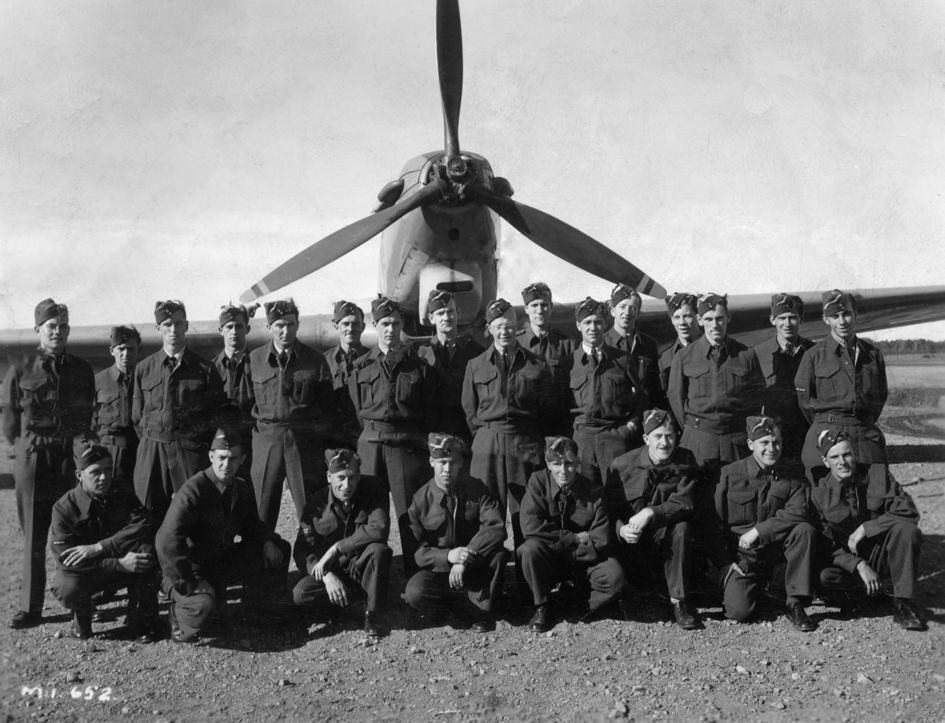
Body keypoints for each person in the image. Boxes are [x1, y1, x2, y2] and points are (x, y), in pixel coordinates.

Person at [3, 299, 95, 630]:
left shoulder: (82, 369)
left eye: (63, 326)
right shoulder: (21, 368)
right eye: (51, 326)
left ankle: (77, 602)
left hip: (67, 461)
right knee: (34, 538)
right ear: (38, 330)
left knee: (71, 531)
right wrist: (29, 449)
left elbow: (86, 417)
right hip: (34, 461)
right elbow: (10, 424)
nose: (57, 332)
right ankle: (31, 609)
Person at [156, 428, 291, 643]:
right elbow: (166, 542)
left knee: (280, 548)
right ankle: (179, 615)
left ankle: (255, 614)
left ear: (242, 460)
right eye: (221, 458)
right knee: (203, 608)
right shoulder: (194, 490)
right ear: (211, 456)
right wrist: (189, 583)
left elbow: (251, 525)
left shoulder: (240, 487)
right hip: (189, 569)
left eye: (233, 458)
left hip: (219, 562)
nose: (226, 465)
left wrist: (266, 540)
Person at [349, 296, 440, 576]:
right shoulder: (361, 366)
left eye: (396, 323)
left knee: (410, 516)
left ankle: (416, 580)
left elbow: (428, 411)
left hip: (405, 446)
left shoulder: (419, 367)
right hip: (370, 448)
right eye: (385, 323)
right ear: (375, 325)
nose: (391, 329)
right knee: (365, 516)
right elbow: (356, 409)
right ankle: (366, 578)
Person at [462, 299, 553, 567]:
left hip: (524, 443)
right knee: (487, 515)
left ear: (518, 327)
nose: (505, 332)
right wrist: (485, 437)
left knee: (527, 513)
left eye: (510, 326)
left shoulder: (537, 364)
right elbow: (470, 411)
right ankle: (489, 588)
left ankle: (531, 589)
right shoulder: (475, 365)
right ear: (489, 328)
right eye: (499, 326)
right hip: (487, 444)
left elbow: (548, 410)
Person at [809, 429, 924, 631]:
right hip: (848, 564)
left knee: (907, 531)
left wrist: (867, 527)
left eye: (846, 454)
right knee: (825, 576)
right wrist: (858, 565)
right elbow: (825, 543)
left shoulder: (878, 474)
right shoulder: (819, 493)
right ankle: (863, 594)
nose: (842, 461)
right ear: (826, 462)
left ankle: (902, 603)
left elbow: (909, 511)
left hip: (880, 555)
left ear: (855, 453)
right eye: (834, 457)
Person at [49, 444, 161, 641]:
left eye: (108, 469)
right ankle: (82, 616)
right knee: (68, 588)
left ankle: (141, 621)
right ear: (79, 474)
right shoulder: (64, 508)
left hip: (117, 560)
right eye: (95, 472)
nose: (104, 477)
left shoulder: (120, 490)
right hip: (90, 572)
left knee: (146, 550)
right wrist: (118, 564)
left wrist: (101, 547)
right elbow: (67, 564)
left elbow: (145, 522)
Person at [715, 416, 817, 632]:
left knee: (804, 530)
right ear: (751, 444)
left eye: (776, 442)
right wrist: (724, 561)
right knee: (739, 612)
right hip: (742, 556)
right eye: (764, 443)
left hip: (774, 549)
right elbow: (714, 522)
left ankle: (794, 601)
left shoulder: (792, 475)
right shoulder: (729, 474)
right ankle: (751, 587)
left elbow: (799, 511)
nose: (772, 448)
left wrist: (760, 531)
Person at [518, 437, 626, 633]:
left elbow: (600, 539)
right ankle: (542, 605)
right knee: (530, 549)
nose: (563, 470)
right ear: (548, 464)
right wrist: (573, 538)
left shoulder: (594, 491)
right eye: (556, 464)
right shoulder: (537, 482)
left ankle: (569, 602)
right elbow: (531, 526)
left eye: (569, 464)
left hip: (581, 563)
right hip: (550, 559)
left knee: (614, 577)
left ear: (578, 462)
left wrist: (563, 548)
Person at [606, 409, 700, 629]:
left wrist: (651, 512)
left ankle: (679, 601)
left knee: (682, 528)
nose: (664, 442)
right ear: (646, 439)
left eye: (669, 436)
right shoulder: (622, 465)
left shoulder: (686, 460)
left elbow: (685, 502)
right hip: (633, 543)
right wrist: (620, 529)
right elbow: (607, 510)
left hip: (664, 536)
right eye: (658, 436)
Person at [404, 433, 509, 632]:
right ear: (431, 462)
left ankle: (480, 613)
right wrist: (448, 556)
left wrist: (464, 558)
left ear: (461, 463)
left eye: (453, 462)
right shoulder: (420, 499)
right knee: (414, 593)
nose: (447, 469)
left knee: (498, 555)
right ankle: (453, 605)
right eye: (442, 462)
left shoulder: (477, 488)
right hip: (439, 570)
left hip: (472, 565)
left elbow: (495, 526)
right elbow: (416, 549)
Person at [132, 300, 225, 522]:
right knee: (148, 516)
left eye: (178, 324)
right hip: (152, 452)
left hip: (189, 451)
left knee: (191, 514)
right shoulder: (144, 369)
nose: (173, 330)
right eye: (167, 324)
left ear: (186, 325)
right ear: (158, 328)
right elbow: (137, 417)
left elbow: (215, 416)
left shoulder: (205, 369)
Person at [249, 298, 335, 529]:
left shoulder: (315, 360)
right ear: (269, 327)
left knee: (312, 510)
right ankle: (263, 560)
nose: (285, 330)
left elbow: (327, 407)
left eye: (290, 324)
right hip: (267, 440)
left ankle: (315, 562)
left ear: (297, 325)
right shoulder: (255, 360)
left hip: (303, 442)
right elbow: (245, 404)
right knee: (262, 509)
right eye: (279, 325)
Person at [292, 448, 392, 637]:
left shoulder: (374, 487)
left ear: (359, 475)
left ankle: (372, 613)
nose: (347, 485)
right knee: (300, 593)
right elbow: (302, 550)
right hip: (332, 570)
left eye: (352, 477)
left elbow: (379, 528)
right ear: (329, 477)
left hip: (360, 566)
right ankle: (347, 604)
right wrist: (327, 576)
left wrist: (337, 548)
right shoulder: (316, 501)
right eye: (340, 478)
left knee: (379, 551)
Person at [795, 290, 889, 479]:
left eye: (846, 314)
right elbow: (805, 403)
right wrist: (827, 422)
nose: (842, 321)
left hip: (865, 432)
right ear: (825, 319)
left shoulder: (872, 354)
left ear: (855, 314)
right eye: (835, 316)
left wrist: (862, 422)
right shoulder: (813, 356)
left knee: (875, 492)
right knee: (827, 497)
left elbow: (880, 397)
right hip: (827, 432)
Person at [668, 293, 765, 470]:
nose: (714, 325)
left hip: (736, 440)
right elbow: (676, 399)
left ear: (728, 317)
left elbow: (758, 399)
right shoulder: (684, 357)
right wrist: (696, 429)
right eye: (708, 319)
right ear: (699, 319)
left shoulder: (746, 355)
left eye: (719, 318)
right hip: (698, 439)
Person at [562, 298, 648, 485]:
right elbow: (559, 405)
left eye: (598, 322)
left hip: (614, 439)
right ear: (578, 325)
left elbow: (640, 400)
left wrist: (630, 428)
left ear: (605, 323)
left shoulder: (622, 359)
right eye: (587, 322)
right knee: (585, 501)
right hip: (581, 441)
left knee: (618, 498)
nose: (593, 328)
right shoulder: (568, 364)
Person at [415, 290, 485, 448]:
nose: (446, 318)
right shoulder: (420, 354)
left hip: (466, 430)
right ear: (432, 318)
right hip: (432, 430)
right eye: (440, 313)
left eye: (450, 312)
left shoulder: (475, 351)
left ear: (458, 313)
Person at [752, 294, 815, 466]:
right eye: (782, 318)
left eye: (792, 318)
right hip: (774, 436)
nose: (787, 324)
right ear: (772, 320)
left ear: (801, 319)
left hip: (808, 432)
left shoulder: (815, 352)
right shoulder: (758, 354)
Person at [516, 282, 575, 434]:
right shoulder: (516, 343)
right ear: (526, 309)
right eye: (534, 305)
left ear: (551, 307)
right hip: (526, 424)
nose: (540, 310)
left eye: (544, 305)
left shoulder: (566, 343)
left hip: (558, 423)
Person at [93, 325, 142, 493]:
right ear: (111, 350)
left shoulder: (148, 380)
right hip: (110, 454)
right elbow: (87, 425)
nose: (126, 354)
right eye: (121, 349)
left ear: (139, 349)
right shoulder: (98, 382)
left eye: (131, 348)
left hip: (141, 452)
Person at [212, 304, 255, 475]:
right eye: (229, 327)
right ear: (220, 330)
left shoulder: (259, 364)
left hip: (251, 443)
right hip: (222, 446)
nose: (234, 331)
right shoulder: (211, 368)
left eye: (239, 326)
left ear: (248, 328)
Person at [604, 284, 662, 408]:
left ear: (638, 313)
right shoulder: (602, 343)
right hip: (615, 416)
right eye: (622, 307)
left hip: (643, 413)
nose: (627, 313)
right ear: (613, 311)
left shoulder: (649, 344)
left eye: (632, 308)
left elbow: (654, 386)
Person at [325, 300, 368, 448]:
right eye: (345, 324)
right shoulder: (324, 361)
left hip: (366, 436)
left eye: (355, 324)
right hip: (334, 438)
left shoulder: (374, 359)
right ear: (336, 326)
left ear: (363, 327)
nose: (350, 328)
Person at [657, 292, 702, 410]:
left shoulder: (714, 350)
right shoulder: (665, 359)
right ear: (672, 320)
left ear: (698, 317)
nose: (682, 323)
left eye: (687, 316)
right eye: (676, 317)